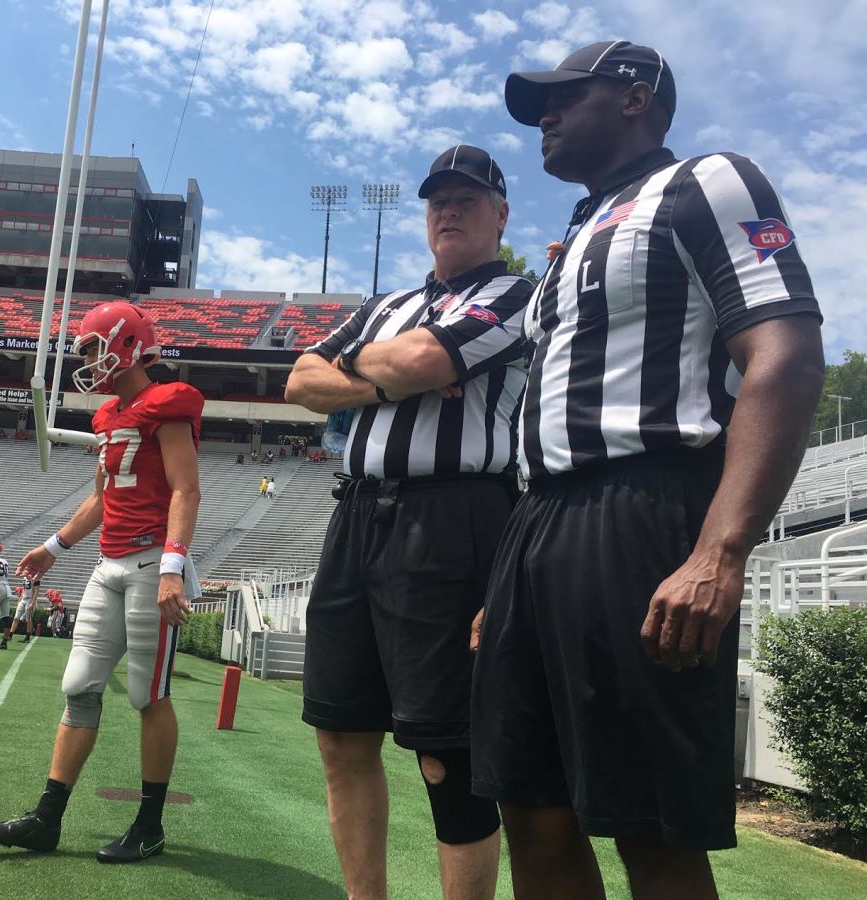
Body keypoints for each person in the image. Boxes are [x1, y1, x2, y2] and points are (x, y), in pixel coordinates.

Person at [468, 42, 825, 900]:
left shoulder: (706, 182)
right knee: (531, 806)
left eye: (565, 96)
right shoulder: (573, 239)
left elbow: (785, 353)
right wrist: (512, 580)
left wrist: (720, 551)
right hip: (539, 523)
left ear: (635, 97)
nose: (545, 117)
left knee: (647, 822)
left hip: (644, 507)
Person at [285, 144, 533, 900]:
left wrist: (371, 370)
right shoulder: (382, 305)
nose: (448, 210)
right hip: (358, 511)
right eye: (437, 200)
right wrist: (389, 380)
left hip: (453, 516)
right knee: (341, 733)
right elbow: (300, 380)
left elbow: (423, 361)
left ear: (500, 214)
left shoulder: (517, 293)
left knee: (445, 753)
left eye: (466, 198)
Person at [0, 301, 203, 864]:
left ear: (128, 344)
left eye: (93, 348)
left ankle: (149, 824)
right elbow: (101, 499)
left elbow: (186, 489)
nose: (88, 360)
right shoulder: (106, 416)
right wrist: (54, 547)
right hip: (109, 563)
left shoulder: (169, 403)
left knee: (148, 695)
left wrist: (173, 567)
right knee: (79, 686)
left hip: (152, 561)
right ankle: (46, 820)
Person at [2, 577, 40, 644]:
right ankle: (10, 635)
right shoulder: (25, 578)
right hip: (23, 599)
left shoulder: (36, 579)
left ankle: (27, 637)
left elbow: (36, 591)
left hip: (30, 599)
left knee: (28, 619)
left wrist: (32, 602)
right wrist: (20, 600)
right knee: (16, 618)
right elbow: (24, 589)